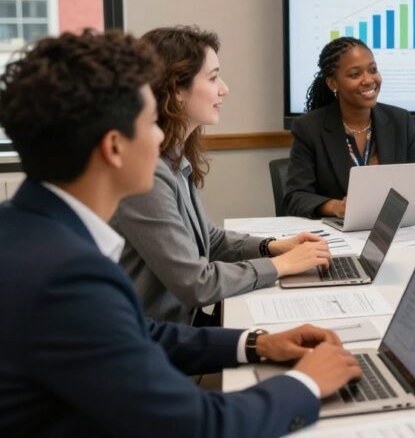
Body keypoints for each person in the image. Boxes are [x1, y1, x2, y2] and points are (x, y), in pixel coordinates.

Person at [0, 30, 362, 437]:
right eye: (148, 123)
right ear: (114, 148)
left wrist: (256, 343)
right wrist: (306, 384)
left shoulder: (30, 230)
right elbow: (200, 426)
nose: (160, 136)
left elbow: (140, 331)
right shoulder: (67, 276)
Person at [111, 26, 330, 325]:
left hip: (180, 326)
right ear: (176, 90)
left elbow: (209, 241)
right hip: (157, 338)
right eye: (213, 78)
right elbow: (196, 283)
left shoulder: (174, 158)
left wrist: (271, 246)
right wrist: (280, 265)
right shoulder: (147, 173)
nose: (224, 89)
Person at [283, 36, 415, 218]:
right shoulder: (309, 128)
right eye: (355, 74)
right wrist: (336, 207)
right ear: (333, 83)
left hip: (393, 226)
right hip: (339, 230)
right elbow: (295, 197)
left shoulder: (400, 120)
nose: (368, 80)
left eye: (372, 70)